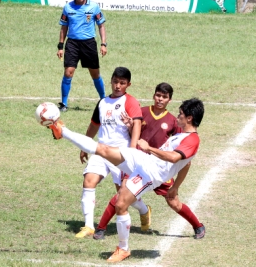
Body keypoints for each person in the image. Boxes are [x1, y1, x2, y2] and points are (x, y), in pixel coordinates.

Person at [46, 97, 204, 262]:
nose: (178, 116)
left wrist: (149, 148)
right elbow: (185, 164)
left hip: (151, 174)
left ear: (189, 118)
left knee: (121, 204)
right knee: (104, 149)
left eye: (180, 114)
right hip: (144, 160)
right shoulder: (182, 135)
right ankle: (62, 131)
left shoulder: (192, 139)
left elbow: (174, 158)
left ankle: (123, 249)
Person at [93, 82, 205, 241]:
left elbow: (182, 159)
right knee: (121, 194)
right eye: (158, 95)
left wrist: (176, 186)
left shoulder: (175, 123)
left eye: (164, 97)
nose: (160, 99)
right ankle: (101, 229)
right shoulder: (142, 111)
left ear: (169, 100)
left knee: (173, 200)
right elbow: (134, 133)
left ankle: (198, 225)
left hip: (159, 168)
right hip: (137, 163)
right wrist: (130, 126)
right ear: (154, 95)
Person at [74, 66, 152, 238]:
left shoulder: (130, 101)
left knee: (123, 193)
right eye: (115, 82)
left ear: (128, 84)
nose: (118, 86)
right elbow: (94, 125)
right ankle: (88, 226)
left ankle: (145, 210)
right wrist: (84, 145)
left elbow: (137, 125)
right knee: (88, 181)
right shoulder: (102, 103)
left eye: (122, 83)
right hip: (101, 150)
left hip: (121, 153)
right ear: (111, 81)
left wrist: (132, 151)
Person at [56, 0, 107, 112]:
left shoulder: (94, 7)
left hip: (89, 44)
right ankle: (64, 103)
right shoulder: (68, 8)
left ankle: (104, 100)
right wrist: (60, 46)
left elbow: (101, 25)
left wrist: (103, 44)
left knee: (95, 74)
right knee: (68, 72)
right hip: (72, 43)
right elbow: (64, 27)